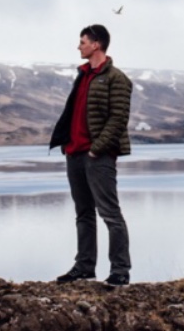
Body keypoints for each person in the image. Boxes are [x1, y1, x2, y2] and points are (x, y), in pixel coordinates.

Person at [47, 23, 133, 285]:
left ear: (96, 44)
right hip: (74, 155)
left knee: (110, 213)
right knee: (83, 213)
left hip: (98, 156)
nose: (79, 46)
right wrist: (66, 145)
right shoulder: (83, 75)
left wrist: (97, 149)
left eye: (82, 42)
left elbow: (118, 120)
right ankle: (84, 266)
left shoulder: (117, 79)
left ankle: (120, 270)